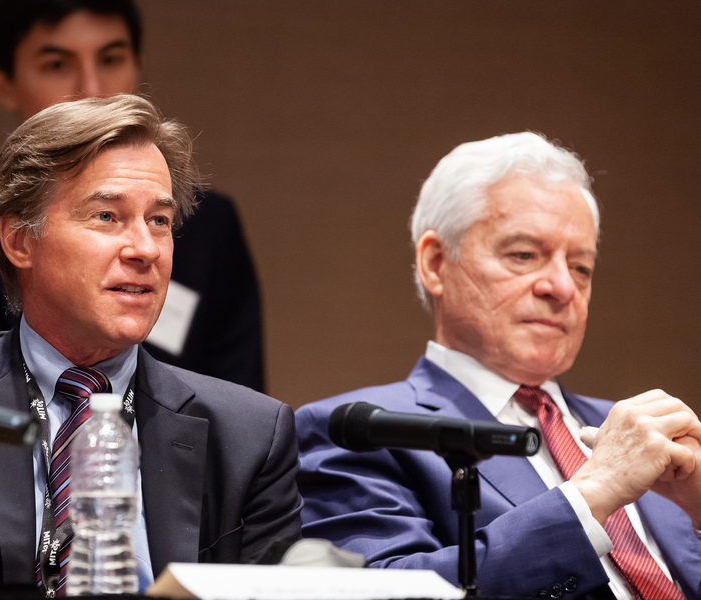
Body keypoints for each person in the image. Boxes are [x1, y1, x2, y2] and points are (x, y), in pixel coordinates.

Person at [0, 95, 302, 592]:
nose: (144, 248)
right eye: (107, 217)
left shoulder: (250, 437)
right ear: (19, 240)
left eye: (159, 220)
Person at [296, 132, 701, 600]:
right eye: (524, 255)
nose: (561, 287)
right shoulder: (359, 430)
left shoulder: (639, 432)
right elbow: (390, 593)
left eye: (581, 267)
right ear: (434, 262)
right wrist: (596, 491)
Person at [0, 0, 264, 392]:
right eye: (57, 64)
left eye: (111, 59)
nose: (92, 88)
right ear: (3, 84)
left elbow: (238, 425)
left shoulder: (209, 228)